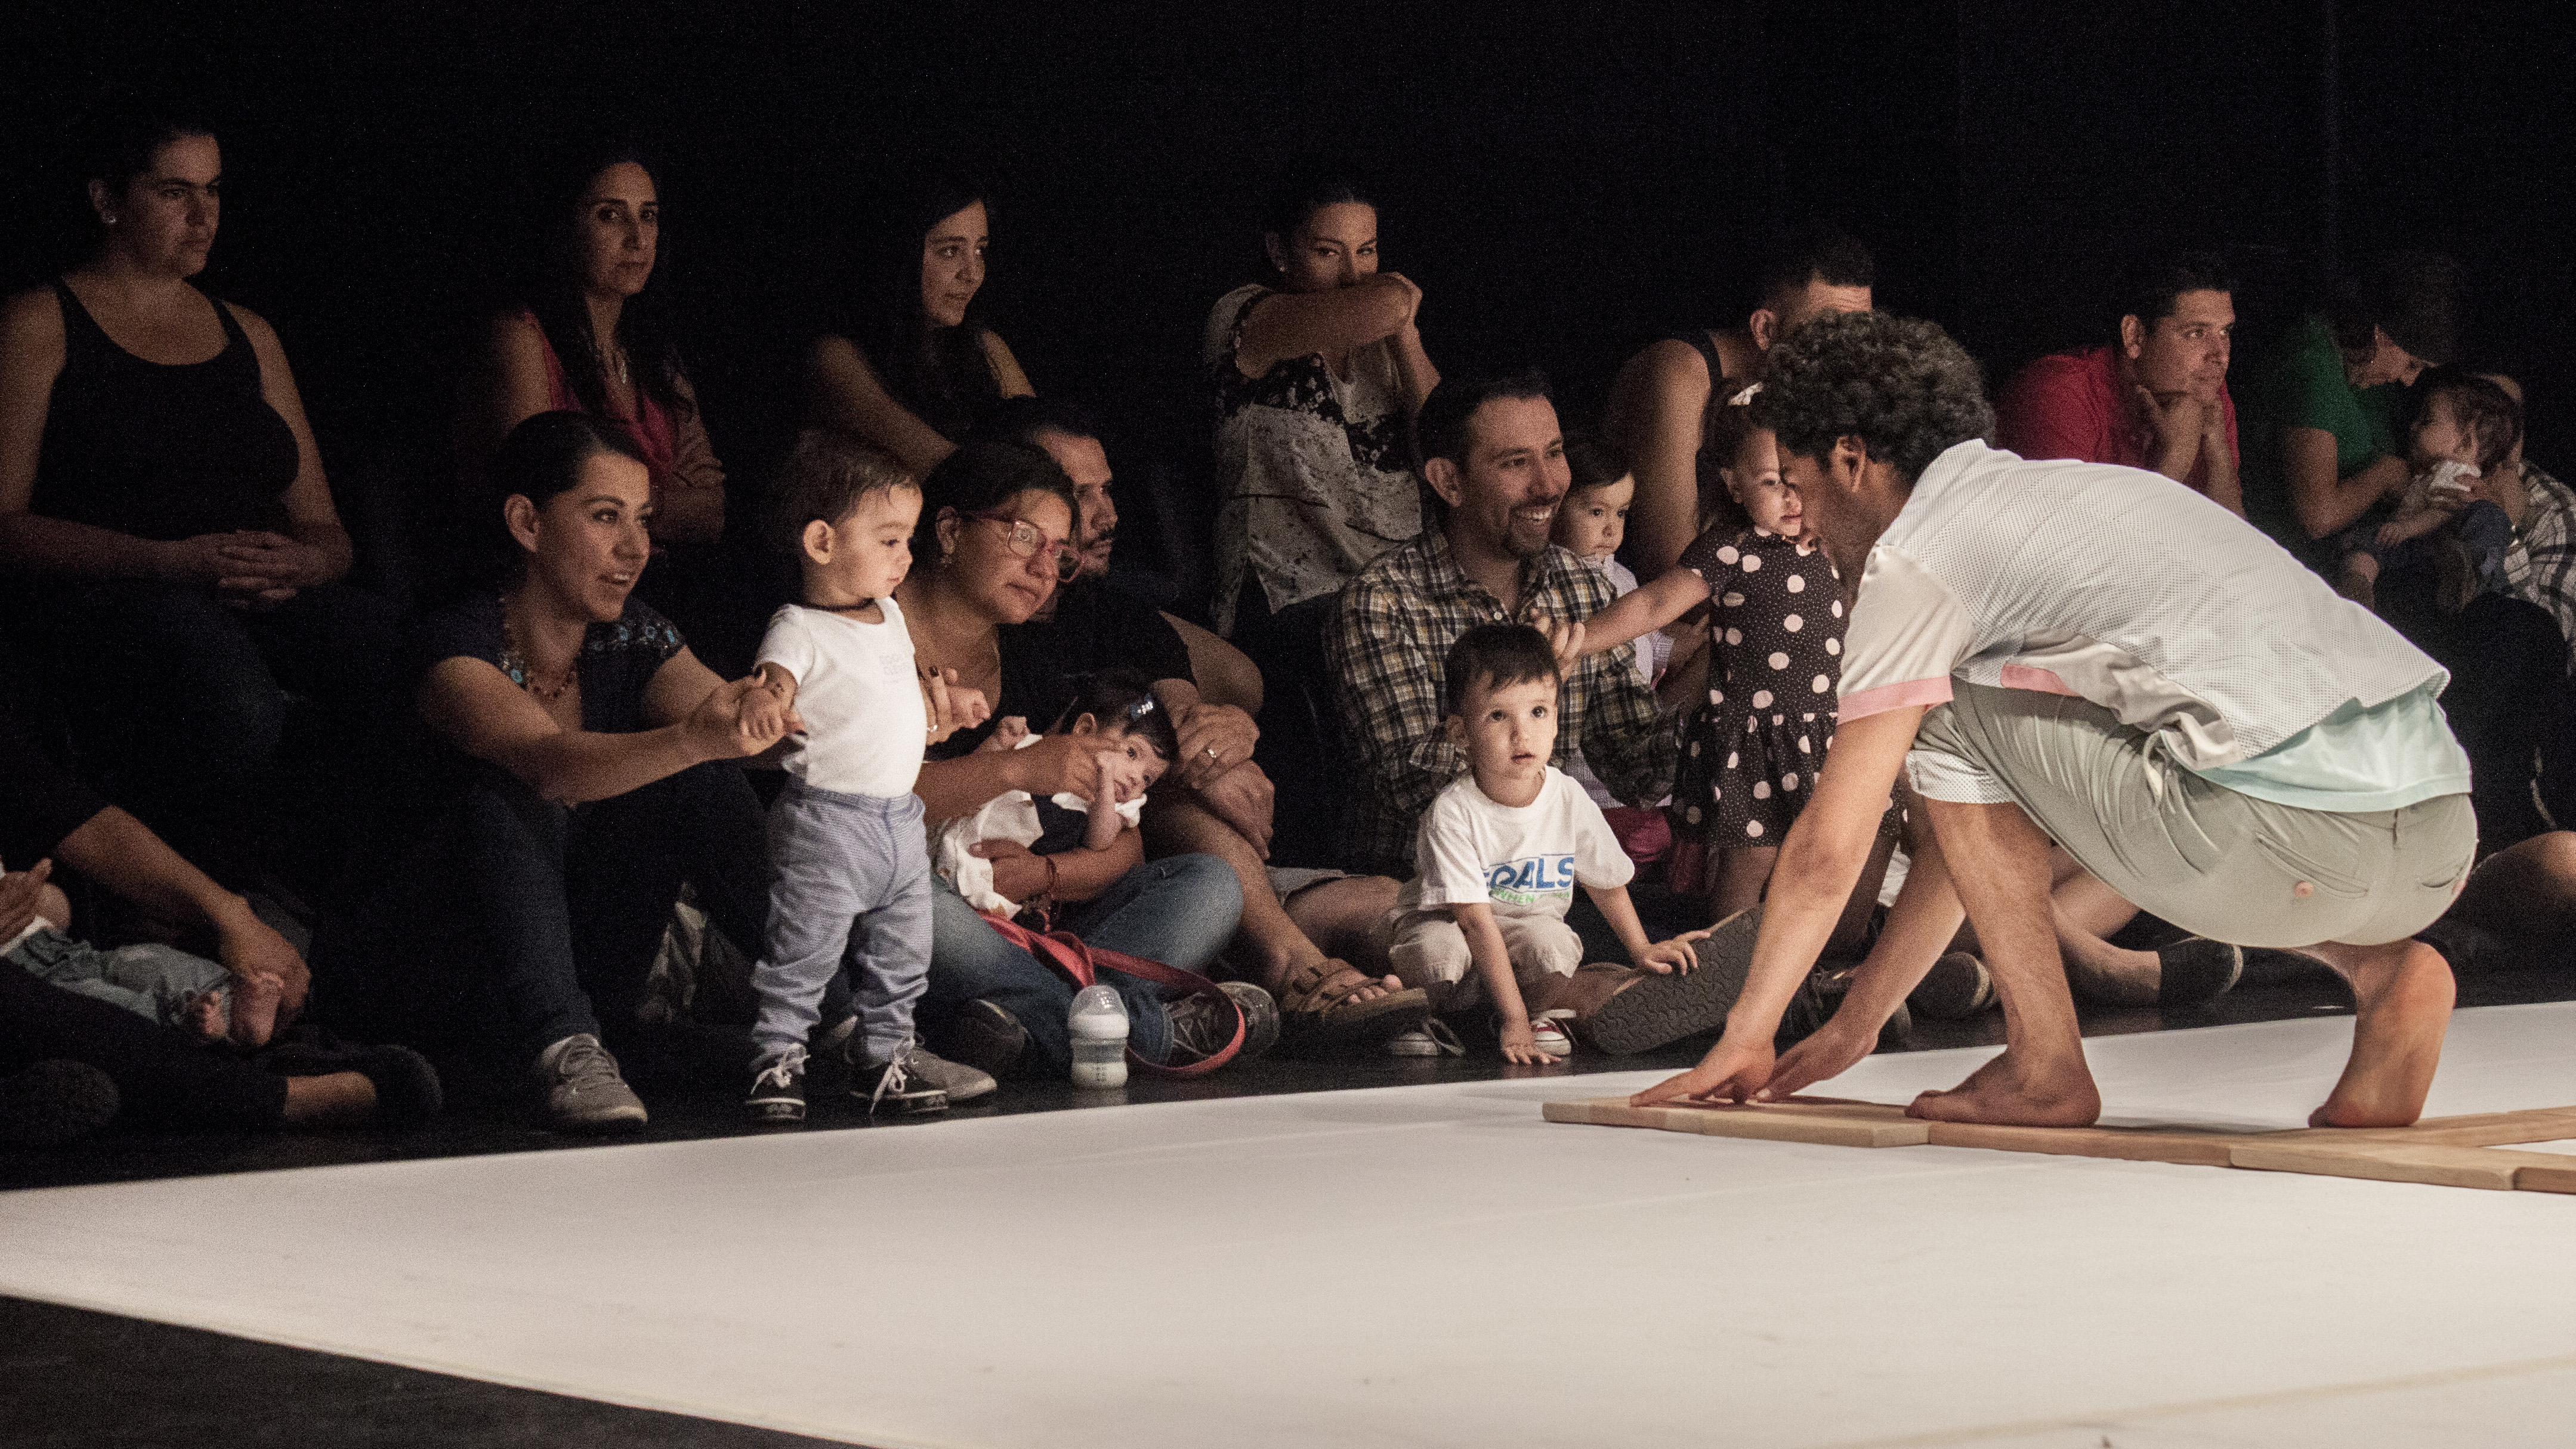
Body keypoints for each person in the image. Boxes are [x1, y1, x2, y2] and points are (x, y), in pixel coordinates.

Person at [1636, 311, 2476, 1132]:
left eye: (1797, 480)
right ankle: (2380, 971)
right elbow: (1975, 839)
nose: (1798, 518)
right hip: (2437, 830)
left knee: (1948, 706)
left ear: (1850, 459)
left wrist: (1745, 1034)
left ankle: (2044, 1064)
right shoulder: (2078, 490)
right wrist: (1858, 1020)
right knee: (1970, 719)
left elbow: (1832, 842)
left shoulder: (1921, 556)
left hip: (2284, 840)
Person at [321, 412, 780, 1132]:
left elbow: (754, 731)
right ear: (527, 523)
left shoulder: (633, 634)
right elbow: (549, 765)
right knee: (521, 784)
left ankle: (844, 1018)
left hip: (582, 974)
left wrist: (853, 713)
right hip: (434, 978)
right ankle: (563, 1044)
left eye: (643, 520)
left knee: (703, 777)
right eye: (605, 517)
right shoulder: (453, 642)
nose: (634, 548)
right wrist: (698, 736)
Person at [0, 98, 399, 882]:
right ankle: (170, 892)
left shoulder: (249, 332)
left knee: (413, 656)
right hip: (119, 588)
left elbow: (326, 528)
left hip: (253, 589)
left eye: (213, 191)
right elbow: (4, 525)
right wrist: (167, 562)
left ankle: (363, 900)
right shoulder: (42, 321)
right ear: (110, 200)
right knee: (232, 696)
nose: (203, 215)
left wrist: (306, 566)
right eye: (174, 192)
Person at [971, 397, 1430, 1053]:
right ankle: (1144, 1016)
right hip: (987, 887)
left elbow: (1184, 728)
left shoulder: (1110, 611)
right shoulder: (987, 625)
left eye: (1107, 490)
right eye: (1080, 495)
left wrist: (1223, 738)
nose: (1107, 516)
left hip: (1091, 883)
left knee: (1218, 850)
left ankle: (1284, 968)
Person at [894, 440, 1260, 1078]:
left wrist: (1043, 875)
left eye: (1058, 554)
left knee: (1210, 882)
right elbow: (859, 811)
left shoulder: (1033, 661)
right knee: (900, 895)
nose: (1043, 567)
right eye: (1023, 535)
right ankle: (1140, 1028)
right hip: (926, 898)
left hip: (1032, 927)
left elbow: (1124, 848)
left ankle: (1010, 1023)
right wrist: (1011, 770)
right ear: (950, 529)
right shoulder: (867, 638)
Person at [1, 688, 438, 1144]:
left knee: (159, 968)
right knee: (100, 1008)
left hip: (51, 947)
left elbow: (56, 809)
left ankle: (237, 1031)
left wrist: (232, 917)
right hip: (25, 972)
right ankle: (272, 1093)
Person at [736, 431, 996, 1124]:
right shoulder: (797, 626)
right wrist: (766, 701)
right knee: (805, 951)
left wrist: (948, 707)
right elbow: (774, 682)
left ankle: (884, 1057)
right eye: (888, 540)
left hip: (897, 821)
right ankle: (777, 1058)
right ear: (821, 541)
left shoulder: (890, 615)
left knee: (904, 953)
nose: (905, 556)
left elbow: (901, 692)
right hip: (827, 821)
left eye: (908, 539)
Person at [1327, 369, 1676, 879]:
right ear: (1449, 481)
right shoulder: (1382, 602)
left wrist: (1725, 687)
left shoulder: (1581, 586)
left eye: (1555, 453)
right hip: (1418, 894)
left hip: (1542, 896)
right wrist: (1525, 686)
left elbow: (1639, 771)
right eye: (1516, 462)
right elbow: (1411, 785)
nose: (1549, 484)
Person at [1556, 398, 1860, 917]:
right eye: (1770, 483)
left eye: (1798, 479)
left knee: (1843, 881)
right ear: (1734, 484)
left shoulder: (1836, 542)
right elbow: (1653, 604)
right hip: (1760, 743)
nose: (1790, 496)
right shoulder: (1731, 549)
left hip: (1835, 734)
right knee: (1744, 889)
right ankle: (1721, 979)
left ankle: (1830, 978)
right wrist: (1579, 638)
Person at [1378, 625, 1712, 1064]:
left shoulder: (1567, 795)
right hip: (1453, 928)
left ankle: (1533, 1012)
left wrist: (1642, 949)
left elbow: (1606, 882)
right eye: (1499, 716)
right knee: (1440, 953)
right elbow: (1476, 924)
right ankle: (1418, 1009)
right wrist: (1512, 1016)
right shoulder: (1454, 811)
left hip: (1518, 931)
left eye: (1538, 711)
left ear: (1556, 718)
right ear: (1460, 734)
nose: (1523, 734)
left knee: (1552, 943)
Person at [455, 146, 727, 549]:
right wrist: (664, 504)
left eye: (648, 216)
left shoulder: (653, 353)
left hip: (655, 582)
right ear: (565, 227)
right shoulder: (521, 338)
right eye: (610, 215)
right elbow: (548, 501)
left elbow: (712, 513)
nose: (637, 238)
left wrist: (617, 501)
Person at [1206, 174, 1439, 643]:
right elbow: (1389, 299)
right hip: (1293, 593)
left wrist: (1407, 338)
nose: (1353, 275)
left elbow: (1444, 450)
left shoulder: (1384, 343)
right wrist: (1394, 304)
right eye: (1328, 253)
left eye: (1367, 250)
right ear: (1280, 254)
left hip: (1403, 586)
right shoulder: (1249, 317)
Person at [1604, 223, 1874, 575]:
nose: (1849, 354)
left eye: (1862, 333)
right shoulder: (1679, 375)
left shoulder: (1828, 383)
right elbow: (1670, 568)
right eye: (1826, 332)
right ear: (1765, 330)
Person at [2238, 252, 2461, 570]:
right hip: (2283, 553)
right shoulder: (2313, 362)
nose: (2411, 380)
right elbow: (2317, 516)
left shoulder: (2370, 376)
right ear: (2380, 335)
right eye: (2412, 364)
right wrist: (2386, 475)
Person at [806, 168, 1033, 480]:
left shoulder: (987, 346)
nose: (973, 273)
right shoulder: (838, 359)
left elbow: (1051, 453)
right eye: (951, 251)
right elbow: (957, 475)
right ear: (899, 255)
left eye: (980, 250)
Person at [1993, 250, 2243, 515]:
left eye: (2225, 332)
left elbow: (2241, 547)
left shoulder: (2204, 390)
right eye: (2196, 334)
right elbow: (2071, 546)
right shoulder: (2059, 394)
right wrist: (2175, 459)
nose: (2220, 355)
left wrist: (2218, 455)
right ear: (2134, 336)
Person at [936, 671, 1173, 910]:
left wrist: (1103, 785)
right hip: (948, 841)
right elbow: (979, 776)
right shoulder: (1038, 750)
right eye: (1131, 753)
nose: (1135, 778)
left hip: (993, 888)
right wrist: (999, 742)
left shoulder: (1113, 806)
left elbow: (1099, 839)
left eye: (1147, 778)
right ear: (1084, 730)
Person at [2331, 370, 2521, 613]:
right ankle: (2358, 588)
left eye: (2427, 420)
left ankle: (2467, 578)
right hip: (2412, 548)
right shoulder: (2417, 473)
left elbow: (2442, 512)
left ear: (2464, 443)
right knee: (2368, 542)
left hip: (2443, 544)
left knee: (2489, 516)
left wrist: (2406, 527)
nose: (2413, 426)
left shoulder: (2462, 474)